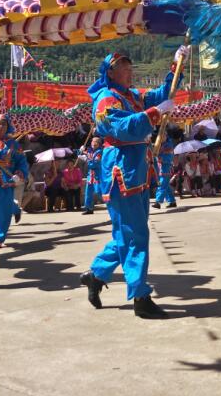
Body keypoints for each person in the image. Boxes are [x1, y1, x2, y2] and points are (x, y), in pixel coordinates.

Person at [79, 48, 187, 319]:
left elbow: (162, 94)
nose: (130, 71)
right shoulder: (106, 99)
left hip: (136, 171)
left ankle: (97, 274)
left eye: (130, 66)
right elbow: (122, 128)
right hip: (121, 172)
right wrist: (153, 114)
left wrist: (176, 66)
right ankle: (140, 295)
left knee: (128, 233)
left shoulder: (132, 96)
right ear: (110, 72)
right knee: (135, 235)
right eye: (124, 68)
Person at [0, 114, 29, 248]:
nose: (0, 126)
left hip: (6, 180)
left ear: (8, 126)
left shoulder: (13, 145)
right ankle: (15, 209)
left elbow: (22, 162)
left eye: (3, 124)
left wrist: (19, 174)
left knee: (3, 210)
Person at [153, 137, 177, 209]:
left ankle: (158, 202)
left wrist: (161, 158)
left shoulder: (168, 145)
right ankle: (172, 201)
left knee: (162, 185)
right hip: (161, 168)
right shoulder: (160, 144)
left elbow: (169, 158)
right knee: (166, 186)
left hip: (166, 168)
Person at [80, 137, 102, 215]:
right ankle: (89, 208)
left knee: (99, 191)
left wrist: (86, 160)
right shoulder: (90, 150)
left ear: (98, 143)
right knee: (88, 192)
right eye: (92, 141)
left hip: (97, 175)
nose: (93, 143)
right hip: (90, 175)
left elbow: (95, 163)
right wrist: (81, 151)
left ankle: (111, 205)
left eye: (95, 141)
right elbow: (81, 154)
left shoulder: (99, 152)